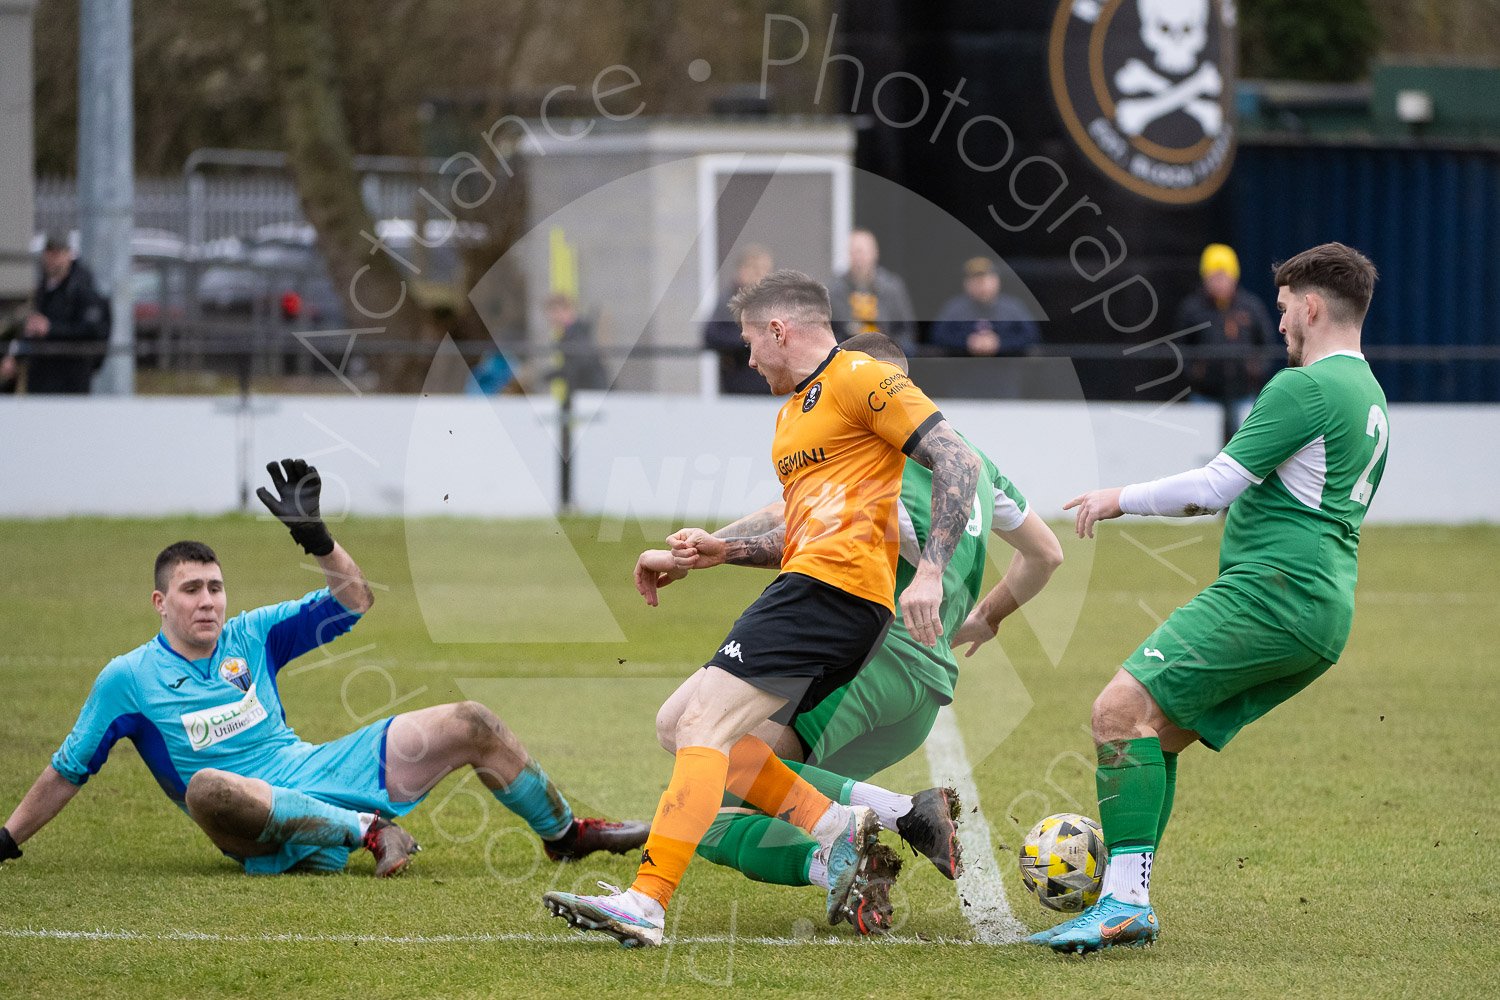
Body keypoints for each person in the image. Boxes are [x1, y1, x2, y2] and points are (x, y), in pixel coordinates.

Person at [544, 271, 982, 948]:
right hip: (808, 585)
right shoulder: (792, 416)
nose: (746, 359)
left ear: (780, 330)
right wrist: (716, 551)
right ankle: (841, 831)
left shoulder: (860, 377)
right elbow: (802, 528)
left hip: (834, 594)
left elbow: (957, 460)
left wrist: (929, 572)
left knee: (705, 726)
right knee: (678, 723)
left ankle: (647, 901)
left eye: (750, 342)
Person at [0, 458, 647, 876]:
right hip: (250, 819)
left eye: (215, 587)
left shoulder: (250, 634)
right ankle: (370, 832)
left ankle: (564, 833)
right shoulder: (128, 678)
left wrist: (319, 541)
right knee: (207, 789)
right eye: (192, 589)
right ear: (159, 601)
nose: (208, 601)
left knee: (471, 720)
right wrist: (8, 837)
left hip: (315, 770)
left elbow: (354, 601)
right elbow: (68, 769)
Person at [634, 331, 1065, 934]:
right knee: (719, 770)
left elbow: (799, 523)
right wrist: (987, 616)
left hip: (864, 665)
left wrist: (706, 550)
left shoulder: (878, 453)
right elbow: (1046, 553)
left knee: (708, 766)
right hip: (923, 691)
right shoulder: (973, 462)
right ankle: (881, 828)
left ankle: (879, 828)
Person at [1042, 243, 1387, 954]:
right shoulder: (1371, 396)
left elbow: (1212, 488)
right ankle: (1126, 900)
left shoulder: (1306, 388)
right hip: (1321, 610)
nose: (1282, 320)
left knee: (1116, 713)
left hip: (1273, 591)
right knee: (1153, 734)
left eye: (1287, 306)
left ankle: (1123, 902)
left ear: (1312, 306)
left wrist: (1118, 498)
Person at [1177, 243, 1277, 441]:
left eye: (1224, 276)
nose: (1219, 282)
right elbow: (1179, 348)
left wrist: (1255, 369)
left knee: (1246, 448)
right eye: (1214, 276)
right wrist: (1195, 373)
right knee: (1201, 450)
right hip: (1204, 395)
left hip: (1244, 394)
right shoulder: (1191, 309)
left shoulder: (1251, 306)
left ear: (1234, 276)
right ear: (1205, 278)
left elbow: (1266, 344)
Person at [2, 235, 109, 394]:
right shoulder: (43, 288)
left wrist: (51, 328)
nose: (52, 259)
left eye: (57, 254)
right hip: (41, 377)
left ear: (68, 255)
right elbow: (33, 329)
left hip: (70, 380)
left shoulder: (82, 289)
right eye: (49, 254)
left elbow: (93, 330)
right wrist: (16, 357)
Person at [929, 257, 1039, 359]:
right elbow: (938, 335)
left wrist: (1000, 343)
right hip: (963, 373)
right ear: (966, 284)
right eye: (976, 281)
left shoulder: (1012, 307)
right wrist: (967, 342)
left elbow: (1031, 335)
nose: (982, 285)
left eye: (986, 280)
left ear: (997, 281)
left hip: (1005, 372)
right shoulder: (955, 308)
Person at [702, 245, 774, 395]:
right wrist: (749, 339)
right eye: (756, 270)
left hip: (770, 388)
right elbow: (711, 335)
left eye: (766, 270)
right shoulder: (729, 302)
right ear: (743, 271)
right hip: (739, 386)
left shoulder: (773, 302)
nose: (762, 275)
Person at [828, 229, 917, 349]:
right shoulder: (836, 289)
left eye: (862, 252)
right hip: (848, 352)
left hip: (887, 350)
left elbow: (907, 328)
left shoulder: (891, 286)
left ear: (875, 253)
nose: (859, 258)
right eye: (854, 252)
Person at [545, 292, 606, 393]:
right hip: (586, 391)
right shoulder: (572, 333)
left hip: (591, 391)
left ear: (566, 310)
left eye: (554, 311)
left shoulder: (578, 333)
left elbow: (581, 363)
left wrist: (556, 373)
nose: (551, 317)